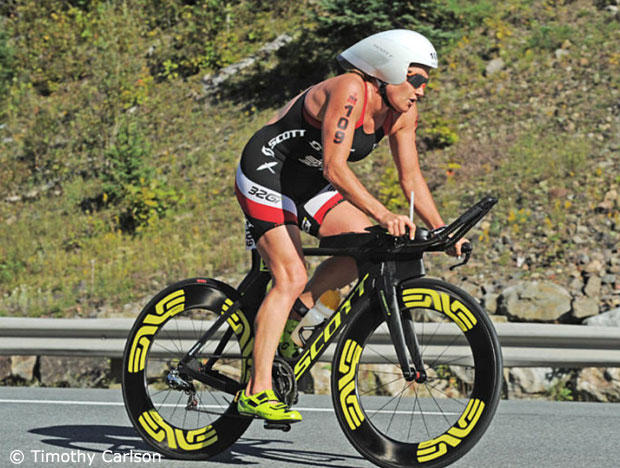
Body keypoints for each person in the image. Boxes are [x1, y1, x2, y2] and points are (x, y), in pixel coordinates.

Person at [234, 29, 468, 423]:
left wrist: (443, 230)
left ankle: (295, 316)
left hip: (307, 183)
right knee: (290, 275)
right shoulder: (350, 89)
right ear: (388, 69)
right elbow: (334, 167)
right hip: (267, 170)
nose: (422, 91)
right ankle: (256, 391)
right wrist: (384, 214)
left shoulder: (403, 113)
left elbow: (410, 178)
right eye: (415, 79)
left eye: (426, 82)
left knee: (365, 247)